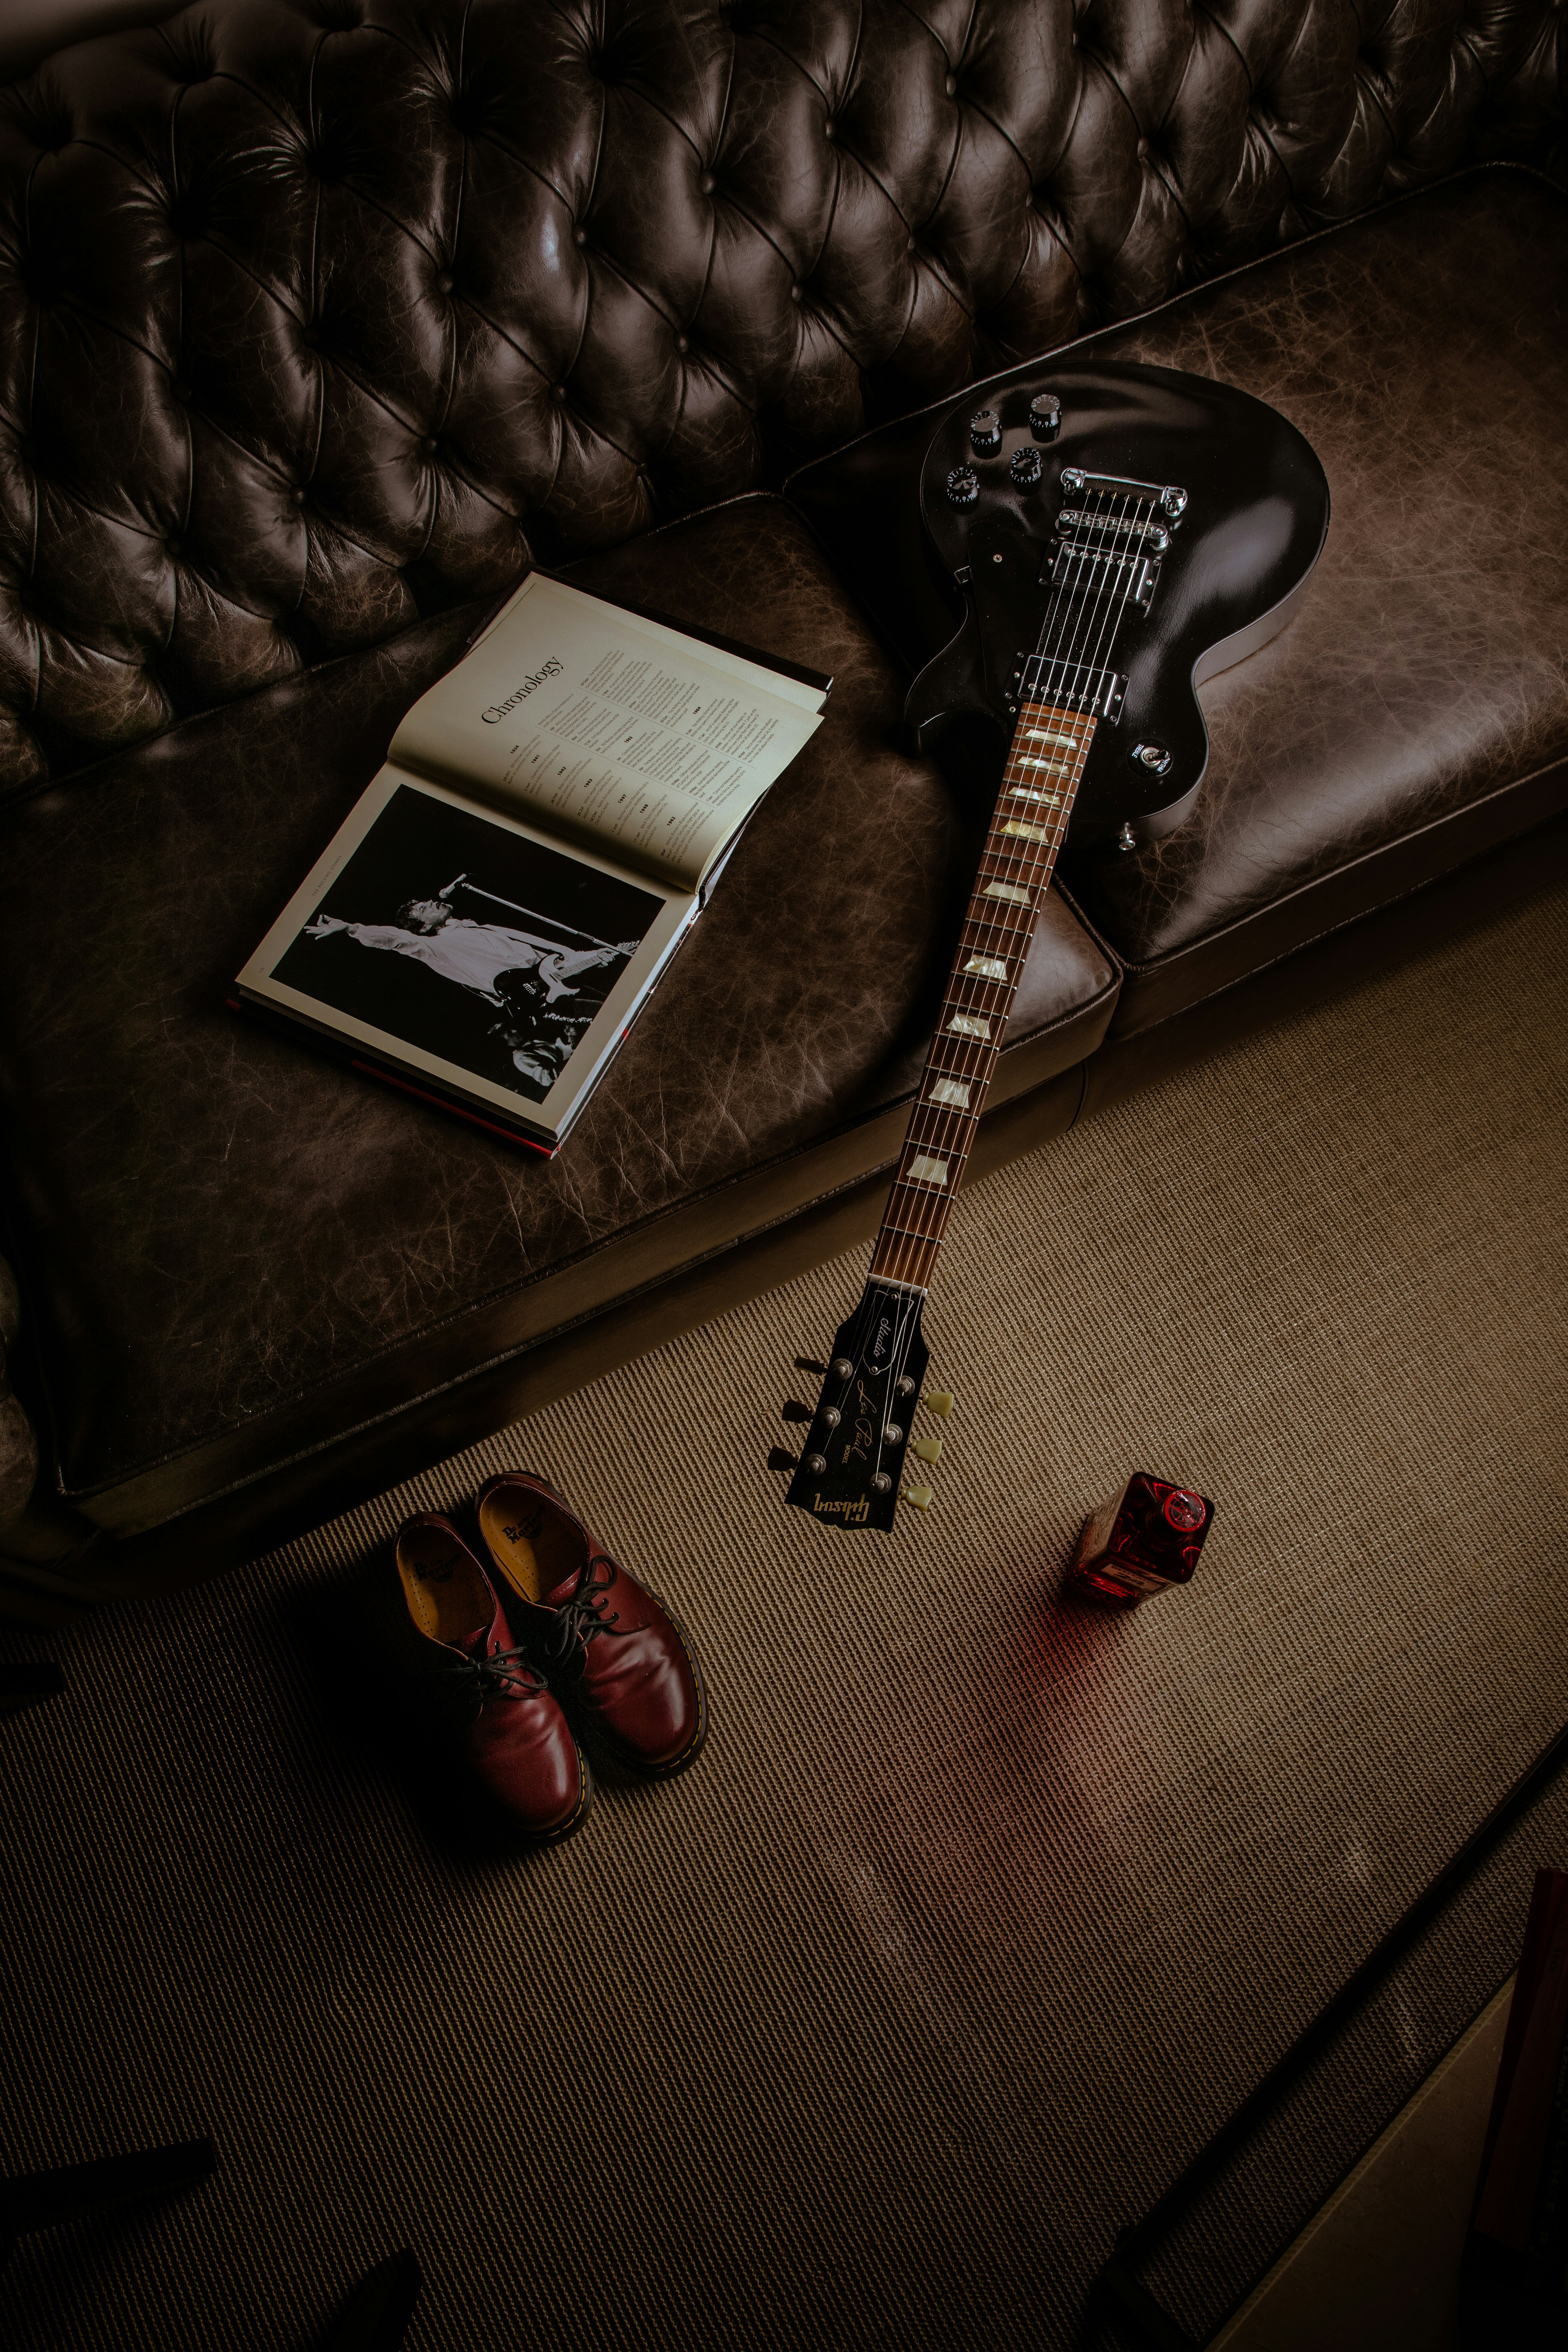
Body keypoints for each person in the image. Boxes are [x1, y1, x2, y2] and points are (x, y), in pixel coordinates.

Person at [304, 898, 638, 1008]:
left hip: (564, 974)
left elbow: (540, 949)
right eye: (423, 907)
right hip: (538, 996)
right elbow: (392, 939)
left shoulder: (478, 927)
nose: (431, 901)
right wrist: (351, 928)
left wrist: (584, 955)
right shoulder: (429, 946)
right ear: (420, 927)